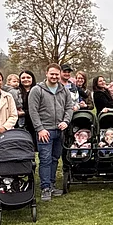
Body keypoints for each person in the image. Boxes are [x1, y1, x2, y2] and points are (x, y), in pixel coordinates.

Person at [28, 64, 74, 201]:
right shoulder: (37, 90)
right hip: (45, 131)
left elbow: (69, 107)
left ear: (60, 75)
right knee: (45, 159)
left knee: (55, 159)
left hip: (59, 131)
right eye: (51, 74)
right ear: (46, 73)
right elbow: (33, 111)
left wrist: (66, 121)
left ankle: (52, 184)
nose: (54, 77)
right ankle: (45, 187)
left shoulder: (63, 90)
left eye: (56, 74)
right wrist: (40, 129)